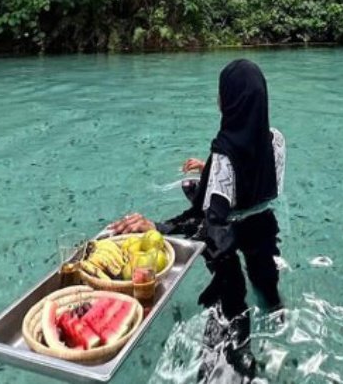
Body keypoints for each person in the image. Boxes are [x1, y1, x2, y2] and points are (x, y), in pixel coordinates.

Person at [110, 58, 286, 379]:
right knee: (267, 286)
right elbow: (261, 180)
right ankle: (277, 316)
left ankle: (234, 362)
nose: (218, 100)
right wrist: (210, 173)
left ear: (230, 101)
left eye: (222, 93)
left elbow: (208, 225)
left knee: (229, 308)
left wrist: (159, 228)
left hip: (226, 237)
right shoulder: (275, 139)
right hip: (263, 226)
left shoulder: (223, 157)